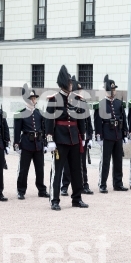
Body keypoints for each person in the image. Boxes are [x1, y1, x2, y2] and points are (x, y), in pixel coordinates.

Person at [45, 65, 88, 211]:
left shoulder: (76, 98)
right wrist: (50, 139)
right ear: (64, 83)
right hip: (60, 139)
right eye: (69, 82)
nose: (71, 85)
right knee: (57, 171)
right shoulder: (54, 99)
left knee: (76, 170)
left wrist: (83, 135)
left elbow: (80, 118)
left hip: (74, 138)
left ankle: (77, 198)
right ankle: (54, 200)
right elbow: (49, 120)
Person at [93, 74, 129, 193]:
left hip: (117, 134)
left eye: (114, 89)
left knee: (118, 160)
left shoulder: (119, 103)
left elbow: (123, 119)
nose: (113, 91)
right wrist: (99, 136)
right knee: (105, 161)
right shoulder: (101, 104)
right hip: (107, 135)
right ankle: (102, 183)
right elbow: (98, 121)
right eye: (111, 89)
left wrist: (125, 133)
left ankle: (118, 183)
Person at [13, 83, 49, 200]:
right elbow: (17, 131)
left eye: (34, 98)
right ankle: (21, 190)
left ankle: (41, 190)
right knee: (24, 169)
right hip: (27, 144)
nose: (34, 100)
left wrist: (45, 143)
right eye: (32, 98)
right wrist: (17, 144)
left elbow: (43, 129)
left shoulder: (39, 113)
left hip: (38, 143)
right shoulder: (21, 113)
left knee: (40, 169)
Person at [60, 76, 93, 195]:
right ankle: (64, 186)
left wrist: (89, 136)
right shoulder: (69, 102)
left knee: (82, 164)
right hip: (72, 136)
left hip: (82, 138)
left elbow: (88, 121)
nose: (80, 92)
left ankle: (85, 184)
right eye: (77, 90)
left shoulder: (83, 102)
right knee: (68, 165)